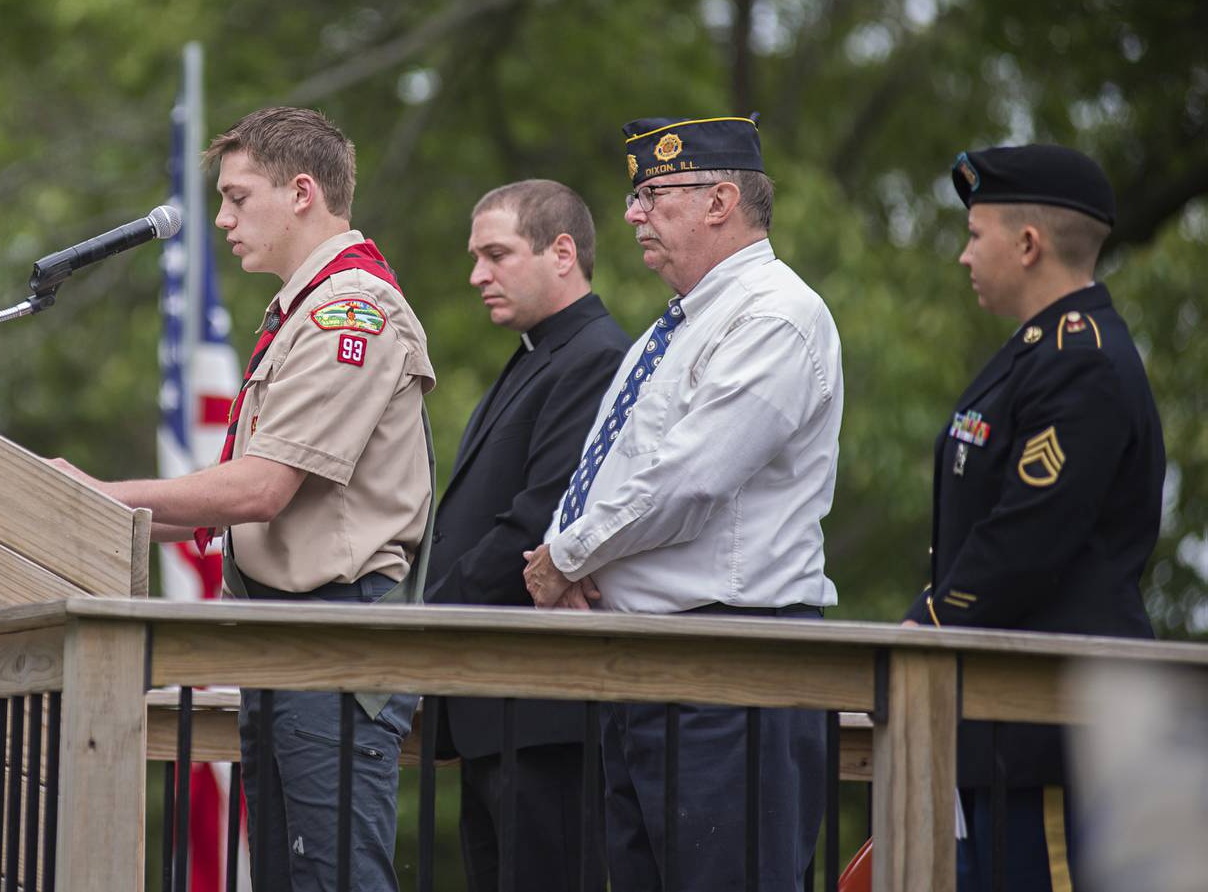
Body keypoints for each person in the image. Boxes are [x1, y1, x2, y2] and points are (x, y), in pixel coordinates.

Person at [49, 106, 434, 892]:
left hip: (335, 634)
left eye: (237, 196)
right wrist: (90, 509)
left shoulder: (348, 310)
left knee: (334, 881)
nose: (220, 218)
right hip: (288, 635)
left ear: (301, 192)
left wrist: (100, 491)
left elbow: (259, 489)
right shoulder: (303, 308)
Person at [522, 115, 843, 892]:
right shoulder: (671, 331)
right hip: (652, 666)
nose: (633, 214)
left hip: (733, 668)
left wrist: (566, 558)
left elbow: (688, 480)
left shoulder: (776, 314)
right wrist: (570, 559)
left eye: (654, 194)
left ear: (721, 201)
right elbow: (609, 473)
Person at [901, 144, 1165, 892]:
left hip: (1050, 723)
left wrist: (929, 621)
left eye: (975, 233)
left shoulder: (1080, 360)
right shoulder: (1037, 353)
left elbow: (1028, 536)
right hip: (1004, 720)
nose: (963, 255)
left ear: (1027, 243)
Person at [425, 179, 630, 892]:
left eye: (496, 254)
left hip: (545, 712)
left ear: (562, 251)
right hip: (496, 703)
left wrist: (416, 620)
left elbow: (538, 519)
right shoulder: (540, 353)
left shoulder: (597, 355)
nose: (477, 274)